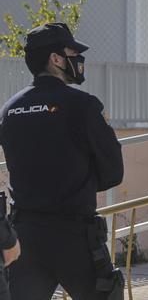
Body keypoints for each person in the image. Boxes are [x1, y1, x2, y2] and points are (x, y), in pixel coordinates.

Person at [0, 22, 123, 299]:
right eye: (72, 52)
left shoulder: (9, 109)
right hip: (75, 236)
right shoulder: (83, 105)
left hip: (25, 237)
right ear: (56, 59)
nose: (78, 60)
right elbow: (114, 172)